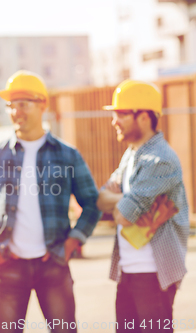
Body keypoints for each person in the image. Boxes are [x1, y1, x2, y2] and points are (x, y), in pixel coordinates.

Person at [0, 70, 101, 333]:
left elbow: (92, 203)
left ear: (43, 105)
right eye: (11, 106)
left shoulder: (67, 155)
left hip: (53, 263)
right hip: (9, 265)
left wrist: (72, 243)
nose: (15, 112)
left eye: (23, 104)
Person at [97, 79, 189, 333]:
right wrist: (126, 199)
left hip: (153, 273)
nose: (114, 120)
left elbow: (124, 216)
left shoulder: (160, 159)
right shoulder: (132, 154)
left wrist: (122, 202)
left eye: (121, 114)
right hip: (129, 270)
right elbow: (102, 200)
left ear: (145, 118)